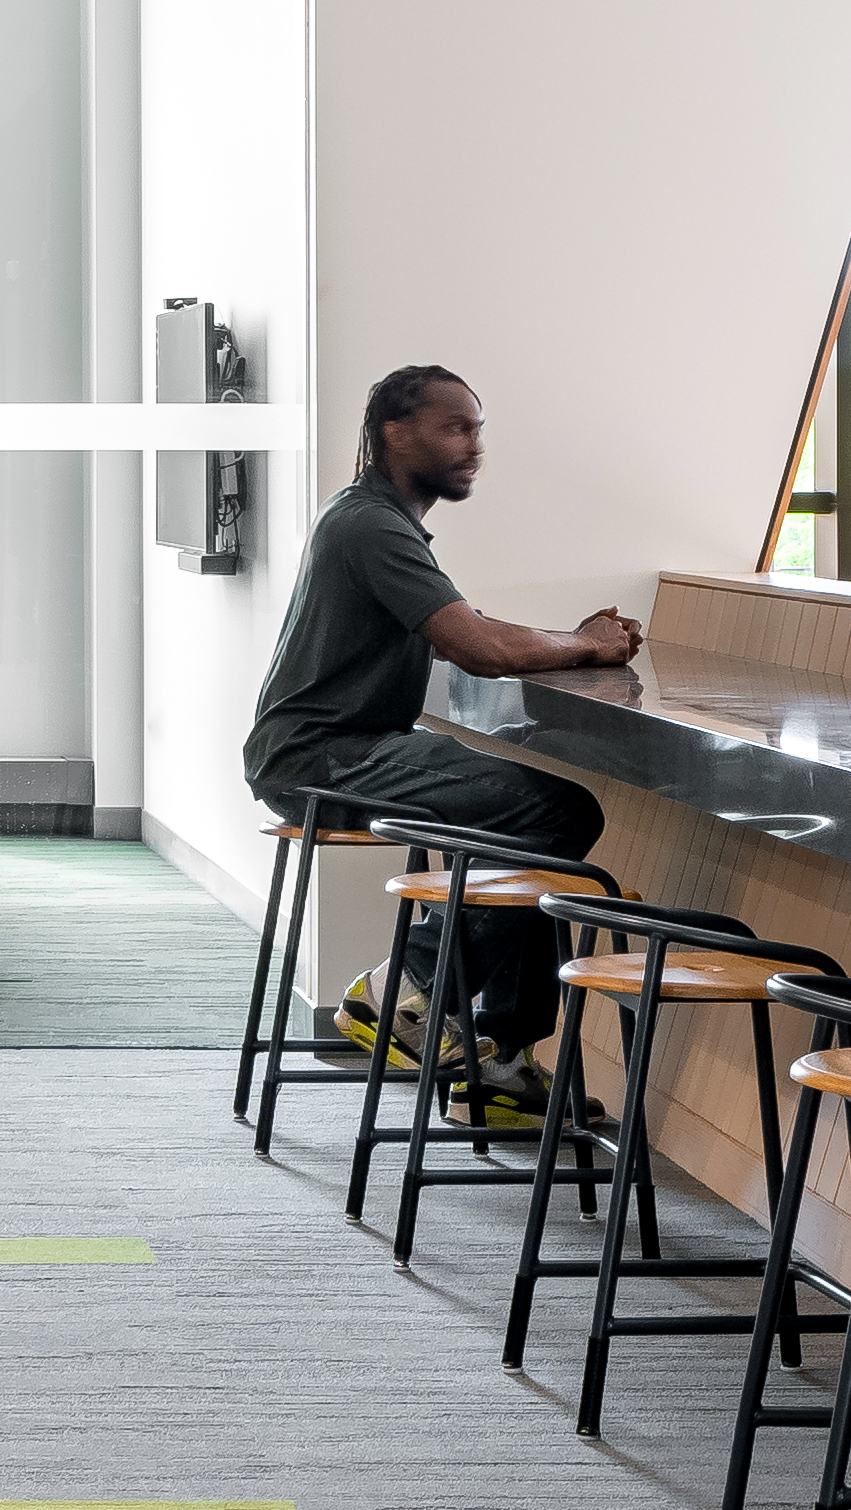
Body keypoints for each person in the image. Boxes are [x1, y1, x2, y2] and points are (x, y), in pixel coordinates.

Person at [244, 368, 639, 1094]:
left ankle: (500, 1058)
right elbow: (479, 648)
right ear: (395, 434)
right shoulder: (369, 524)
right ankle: (408, 988)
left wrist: (578, 638)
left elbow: (472, 624)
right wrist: (584, 645)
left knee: (528, 829)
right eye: (455, 428)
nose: (474, 446)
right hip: (318, 758)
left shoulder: (376, 520)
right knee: (553, 812)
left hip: (343, 750)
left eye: (477, 428)